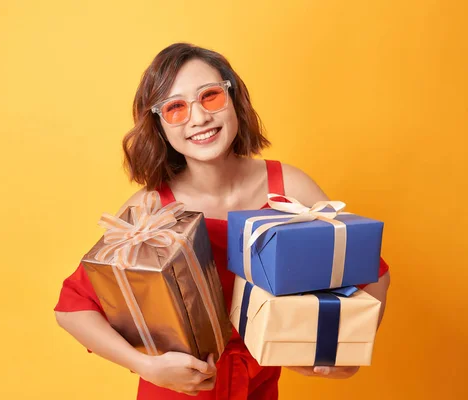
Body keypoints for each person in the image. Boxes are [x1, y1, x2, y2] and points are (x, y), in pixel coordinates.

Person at [54, 42, 391, 399]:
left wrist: (342, 348)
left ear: (234, 98)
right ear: (159, 125)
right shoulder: (150, 209)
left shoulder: (288, 189)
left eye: (210, 97)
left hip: (256, 388)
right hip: (174, 392)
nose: (198, 118)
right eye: (176, 108)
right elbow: (73, 308)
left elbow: (372, 271)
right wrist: (147, 367)